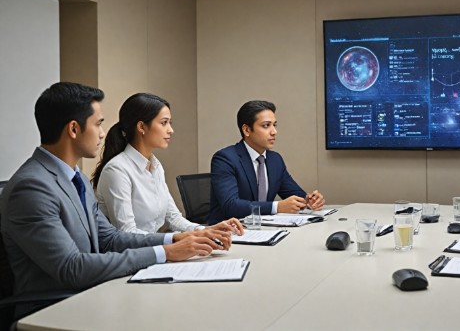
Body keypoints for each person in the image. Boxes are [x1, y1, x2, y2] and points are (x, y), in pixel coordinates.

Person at [0, 83, 231, 307]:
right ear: (73, 129)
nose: (102, 134)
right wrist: (164, 252)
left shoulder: (75, 177)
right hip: (54, 308)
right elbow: (71, 268)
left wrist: (173, 239)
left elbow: (110, 238)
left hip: (94, 293)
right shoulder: (31, 188)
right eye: (97, 124)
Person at [92, 93, 243, 235]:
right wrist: (174, 240)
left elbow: (173, 218)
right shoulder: (117, 170)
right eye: (164, 123)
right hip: (131, 257)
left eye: (170, 123)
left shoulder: (155, 165)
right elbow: (127, 232)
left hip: (154, 249)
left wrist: (207, 230)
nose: (171, 130)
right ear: (142, 127)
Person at [209, 100, 324, 222]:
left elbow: (294, 196)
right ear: (247, 130)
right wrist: (277, 207)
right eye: (266, 125)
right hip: (228, 233)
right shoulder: (225, 159)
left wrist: (309, 200)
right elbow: (231, 206)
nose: (274, 131)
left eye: (274, 125)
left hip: (264, 229)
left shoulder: (275, 160)